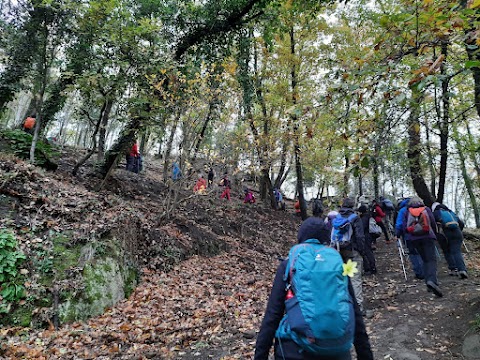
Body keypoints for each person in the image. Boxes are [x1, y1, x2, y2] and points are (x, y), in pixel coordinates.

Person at [254, 217, 374, 360]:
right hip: (336, 350)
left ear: (301, 239)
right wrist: (365, 354)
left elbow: (272, 316)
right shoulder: (336, 263)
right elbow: (354, 311)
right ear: (326, 239)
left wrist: (260, 356)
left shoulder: (290, 264)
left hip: (296, 350)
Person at [402, 197, 442, 297]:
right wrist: (435, 234)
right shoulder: (426, 209)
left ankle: (428, 283)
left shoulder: (407, 211)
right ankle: (432, 281)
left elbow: (404, 227)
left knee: (424, 260)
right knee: (431, 260)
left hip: (415, 239)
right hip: (427, 237)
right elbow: (432, 222)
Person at [335, 197, 367, 313]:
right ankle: (358, 307)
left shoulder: (337, 217)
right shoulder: (354, 218)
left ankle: (345, 305)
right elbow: (359, 236)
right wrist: (362, 251)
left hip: (339, 251)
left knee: (345, 277)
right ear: (353, 206)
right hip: (352, 252)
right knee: (355, 278)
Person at [432, 202, 468, 279]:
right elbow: (461, 223)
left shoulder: (435, 213)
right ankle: (462, 269)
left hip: (445, 233)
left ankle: (453, 268)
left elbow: (433, 225)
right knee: (456, 251)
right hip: (457, 232)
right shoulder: (450, 212)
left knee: (447, 251)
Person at [395, 198, 424, 280]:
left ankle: (419, 272)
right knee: (422, 252)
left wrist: (397, 234)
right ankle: (426, 271)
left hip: (409, 235)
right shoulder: (421, 208)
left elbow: (399, 224)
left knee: (413, 253)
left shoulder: (403, 210)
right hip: (423, 234)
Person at [357, 205, 377, 275]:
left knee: (367, 252)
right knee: (368, 252)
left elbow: (362, 227)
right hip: (369, 236)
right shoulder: (368, 216)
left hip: (366, 236)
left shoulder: (364, 218)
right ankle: (371, 267)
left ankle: (371, 268)